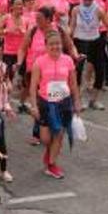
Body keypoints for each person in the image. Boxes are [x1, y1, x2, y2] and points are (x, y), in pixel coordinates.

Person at [26, 30, 80, 180]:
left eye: (58, 43)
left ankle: (51, 164)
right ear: (46, 46)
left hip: (64, 103)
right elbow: (33, 86)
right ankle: (49, 152)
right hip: (46, 104)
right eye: (52, 44)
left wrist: (77, 101)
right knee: (45, 139)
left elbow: (73, 84)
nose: (55, 46)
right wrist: (34, 106)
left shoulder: (68, 60)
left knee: (59, 134)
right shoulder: (40, 62)